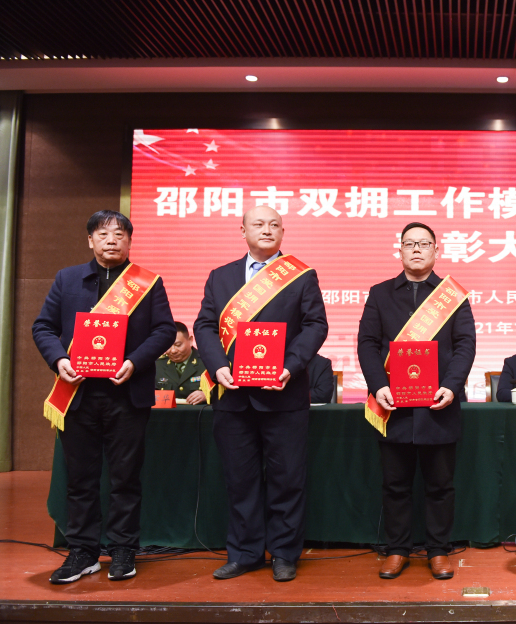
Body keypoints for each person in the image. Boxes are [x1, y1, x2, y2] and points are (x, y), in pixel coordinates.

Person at [33, 210, 175, 584]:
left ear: (129, 241)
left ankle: (124, 548)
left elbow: (163, 331)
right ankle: (83, 551)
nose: (111, 240)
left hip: (127, 395)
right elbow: (43, 327)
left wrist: (134, 362)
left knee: (125, 478)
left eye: (119, 234)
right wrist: (59, 359)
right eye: (103, 233)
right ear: (90, 240)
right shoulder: (67, 279)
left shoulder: (148, 282)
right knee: (80, 479)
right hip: (78, 394)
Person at [194, 205, 328, 582]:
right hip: (233, 397)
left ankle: (284, 553)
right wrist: (217, 366)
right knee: (240, 480)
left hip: (284, 395)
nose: (266, 229)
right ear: (243, 231)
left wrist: (290, 366)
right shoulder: (220, 276)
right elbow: (204, 326)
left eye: (274, 225)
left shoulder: (301, 276)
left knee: (287, 479)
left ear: (282, 232)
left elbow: (316, 326)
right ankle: (245, 553)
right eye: (258, 224)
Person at [357, 222, 476, 580]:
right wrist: (378, 385)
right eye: (410, 244)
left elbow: (465, 345)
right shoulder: (380, 293)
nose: (417, 250)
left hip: (439, 405)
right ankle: (397, 549)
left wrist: (452, 386)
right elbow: (367, 344)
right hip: (393, 406)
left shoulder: (452, 295)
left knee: (440, 485)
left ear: (437, 250)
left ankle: (438, 551)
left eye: (424, 244)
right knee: (395, 485)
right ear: (400, 251)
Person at [155, 322, 207, 404]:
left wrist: (207, 395)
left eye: (178, 345)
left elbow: (221, 390)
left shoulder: (206, 362)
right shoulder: (158, 365)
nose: (173, 351)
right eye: (168, 345)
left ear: (190, 340)